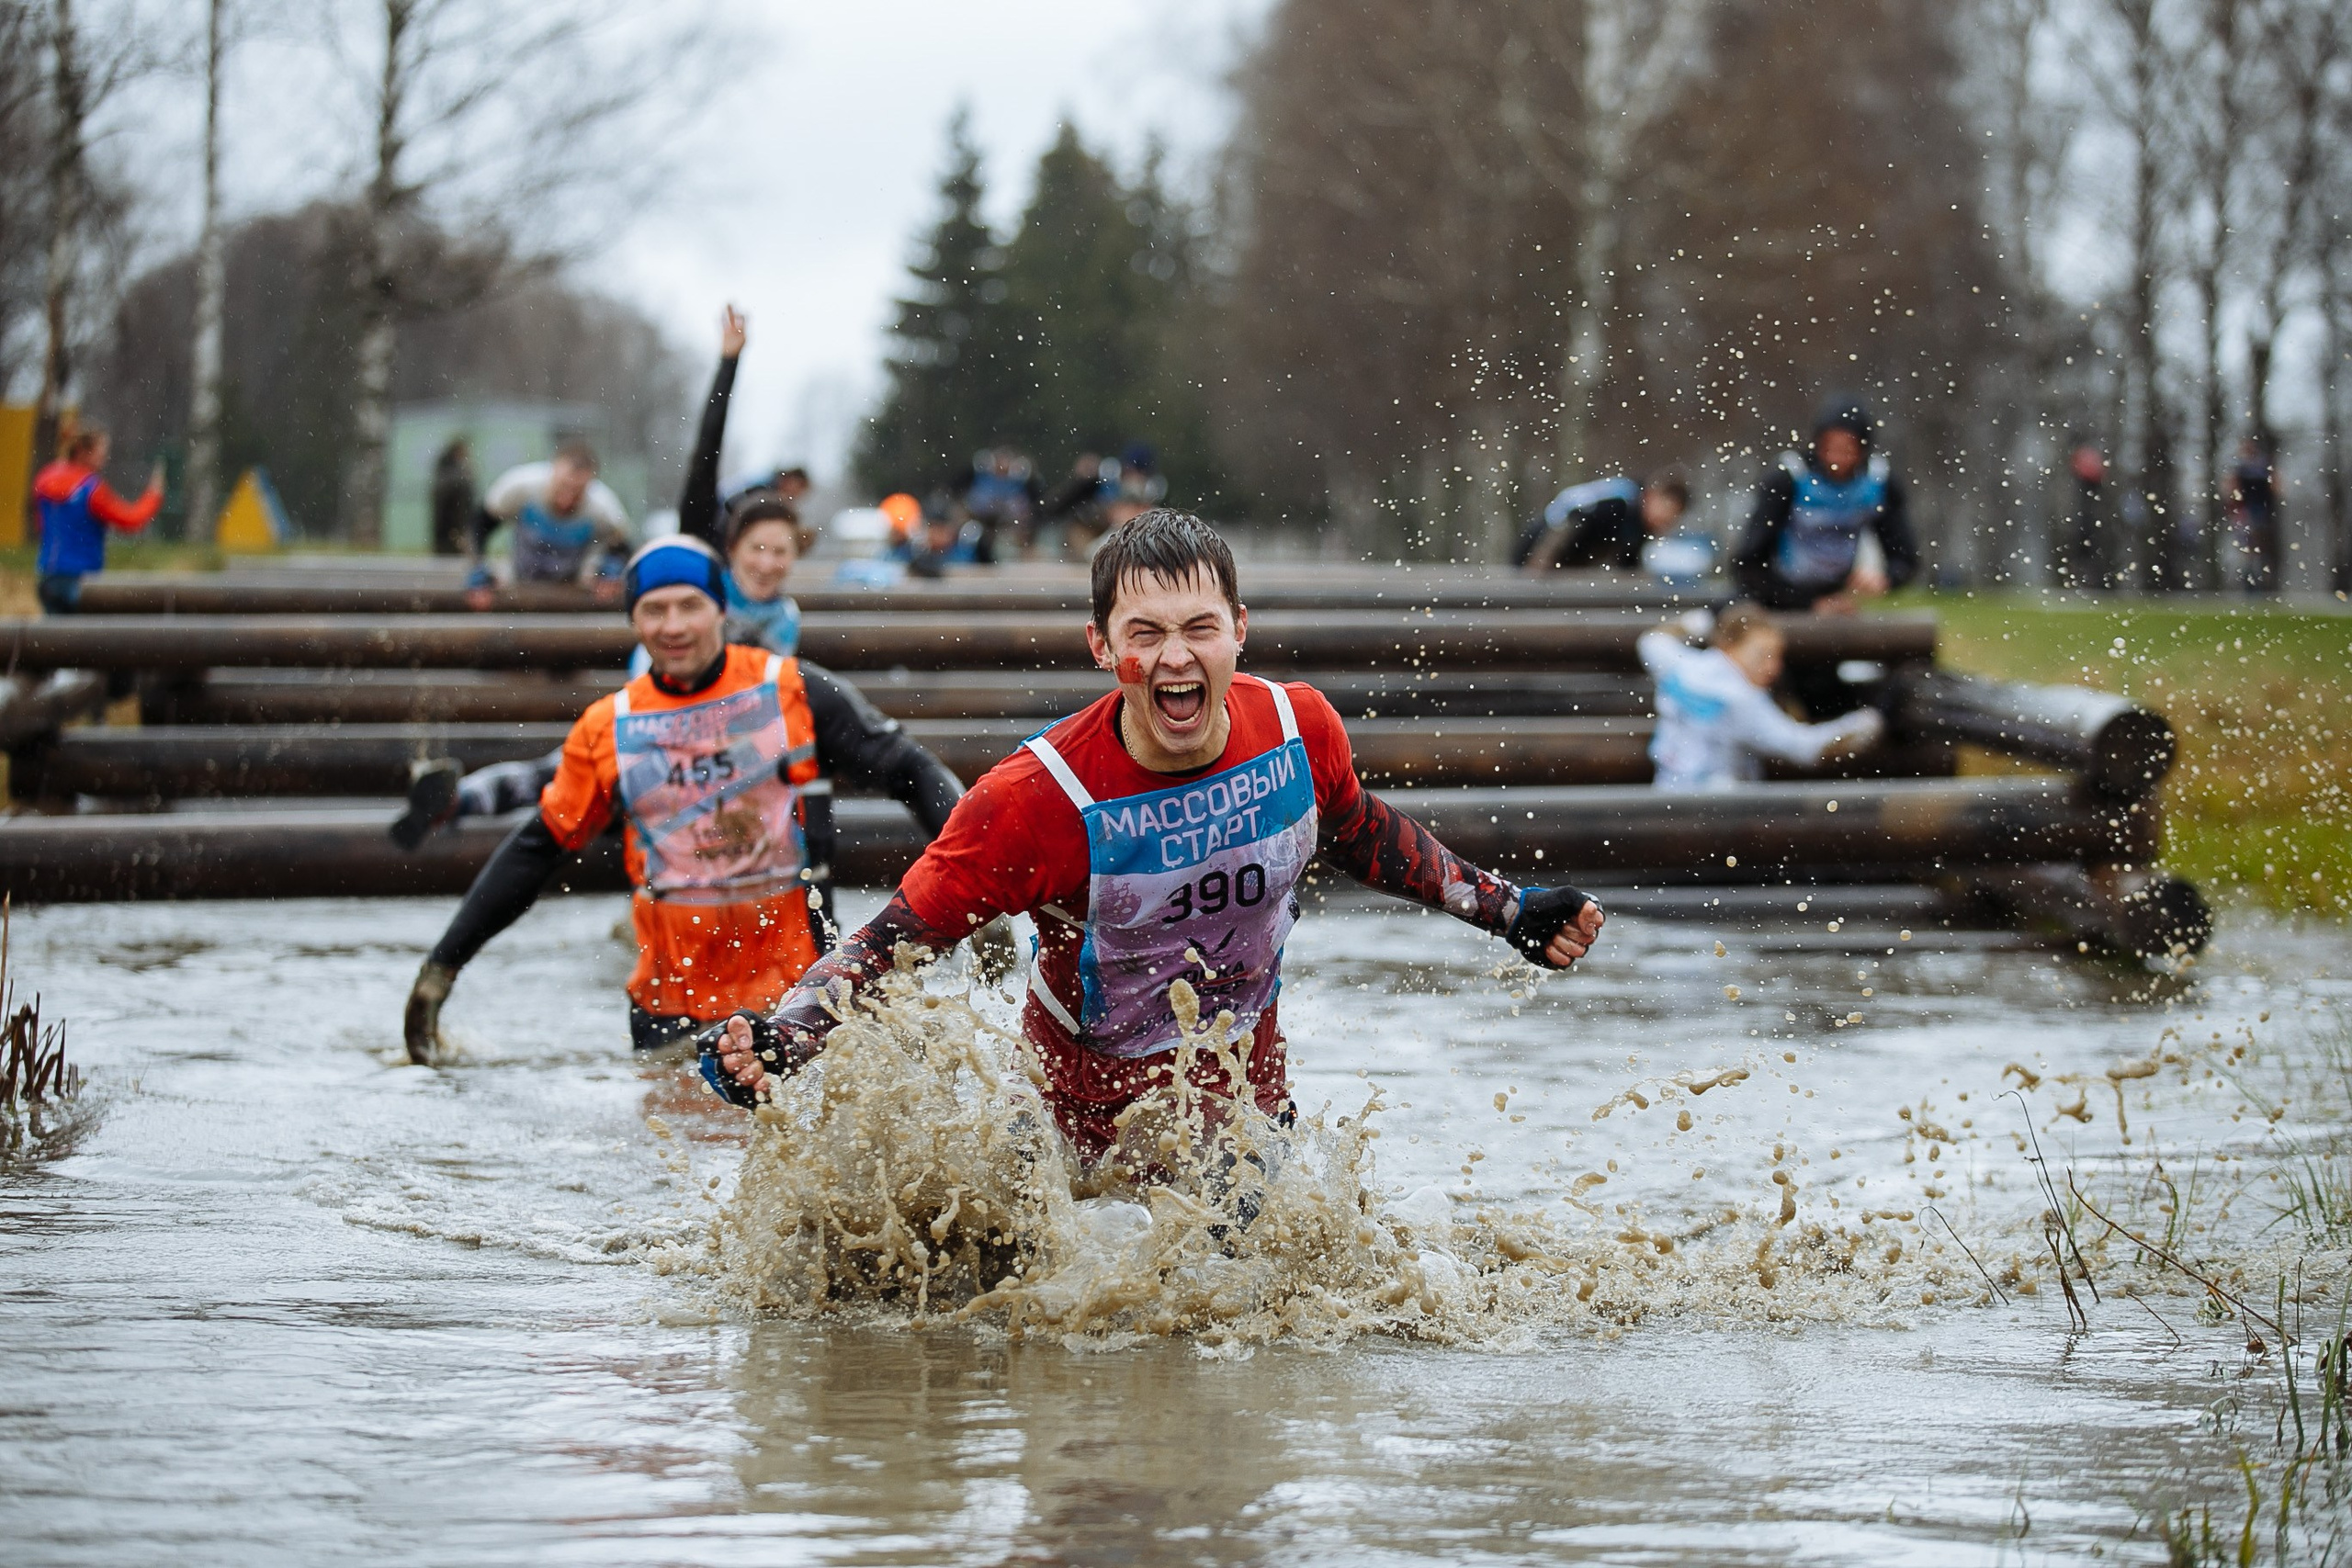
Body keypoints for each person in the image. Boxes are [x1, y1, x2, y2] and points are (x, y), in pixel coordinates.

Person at [700, 510, 1606, 1170]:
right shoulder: (1034, 799)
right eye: (1147, 634)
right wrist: (783, 1036)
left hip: (1240, 1100)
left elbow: (1362, 834)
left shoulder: (1298, 729)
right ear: (1103, 647)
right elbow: (893, 942)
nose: (1176, 658)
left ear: (1238, 633)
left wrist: (1508, 910)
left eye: (1199, 630)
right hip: (1073, 1126)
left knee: (1258, 1332)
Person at [400, 535, 966, 1064]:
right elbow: (535, 850)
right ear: (633, 621)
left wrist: (969, 879)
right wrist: (442, 967)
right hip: (671, 1013)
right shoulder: (609, 727)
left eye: (689, 605)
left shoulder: (792, 689)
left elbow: (911, 770)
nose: (673, 626)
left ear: (721, 608)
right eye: (654, 609)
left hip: (799, 1001)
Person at [395, 307, 808, 847]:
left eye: (781, 553)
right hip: (656, 719)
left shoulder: (784, 620)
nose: (768, 564)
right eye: (757, 549)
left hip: (724, 748)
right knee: (571, 770)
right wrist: (728, 364)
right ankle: (458, 799)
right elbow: (703, 465)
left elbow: (776, 708)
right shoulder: (704, 576)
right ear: (731, 550)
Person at [1637, 605, 1884, 791]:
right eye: (1763, 655)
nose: (1773, 667)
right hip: (1717, 816)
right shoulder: (1742, 700)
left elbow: (1651, 642)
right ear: (1729, 646)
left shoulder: (1682, 667)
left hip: (1667, 792)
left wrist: (1698, 621)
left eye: (1776, 657)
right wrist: (1870, 721)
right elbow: (1805, 748)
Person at [1731, 397, 1917, 615]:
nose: (1836, 459)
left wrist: (1884, 577)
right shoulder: (1790, 477)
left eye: (1847, 449)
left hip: (1840, 592)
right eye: (1830, 448)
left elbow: (1905, 559)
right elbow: (1748, 564)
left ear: (1863, 450)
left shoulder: (1877, 481)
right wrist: (1805, 603)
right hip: (1781, 592)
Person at [465, 441, 634, 605]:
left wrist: (612, 570)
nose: (567, 500)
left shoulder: (603, 509)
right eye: (563, 486)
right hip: (519, 581)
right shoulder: (519, 488)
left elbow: (624, 550)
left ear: (590, 485)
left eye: (577, 492)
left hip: (572, 592)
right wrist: (479, 567)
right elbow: (478, 528)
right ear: (552, 471)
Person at [31, 423, 163, 615]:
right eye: (101, 451)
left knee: (53, 640)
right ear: (83, 452)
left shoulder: (44, 480)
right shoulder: (90, 489)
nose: (105, 457)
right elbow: (130, 520)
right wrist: (154, 494)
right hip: (82, 581)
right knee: (86, 641)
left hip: (48, 576)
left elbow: (42, 525)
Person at [1517, 472, 1690, 574]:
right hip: (1539, 544)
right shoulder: (1619, 502)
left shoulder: (1639, 524)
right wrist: (1539, 565)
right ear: (1651, 496)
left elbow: (1628, 563)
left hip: (1567, 564)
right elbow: (1570, 524)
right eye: (1664, 513)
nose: (1662, 522)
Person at [2227, 437, 2278, 594]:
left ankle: (2259, 582)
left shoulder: (2263, 467)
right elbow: (2233, 488)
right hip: (2246, 511)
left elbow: (2274, 487)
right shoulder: (2241, 469)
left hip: (2260, 511)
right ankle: (2249, 583)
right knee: (2248, 548)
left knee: (2258, 548)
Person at [430, 436, 477, 557]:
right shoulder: (459, 477)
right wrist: (462, 531)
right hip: (453, 529)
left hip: (443, 531)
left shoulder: (443, 472)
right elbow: (462, 510)